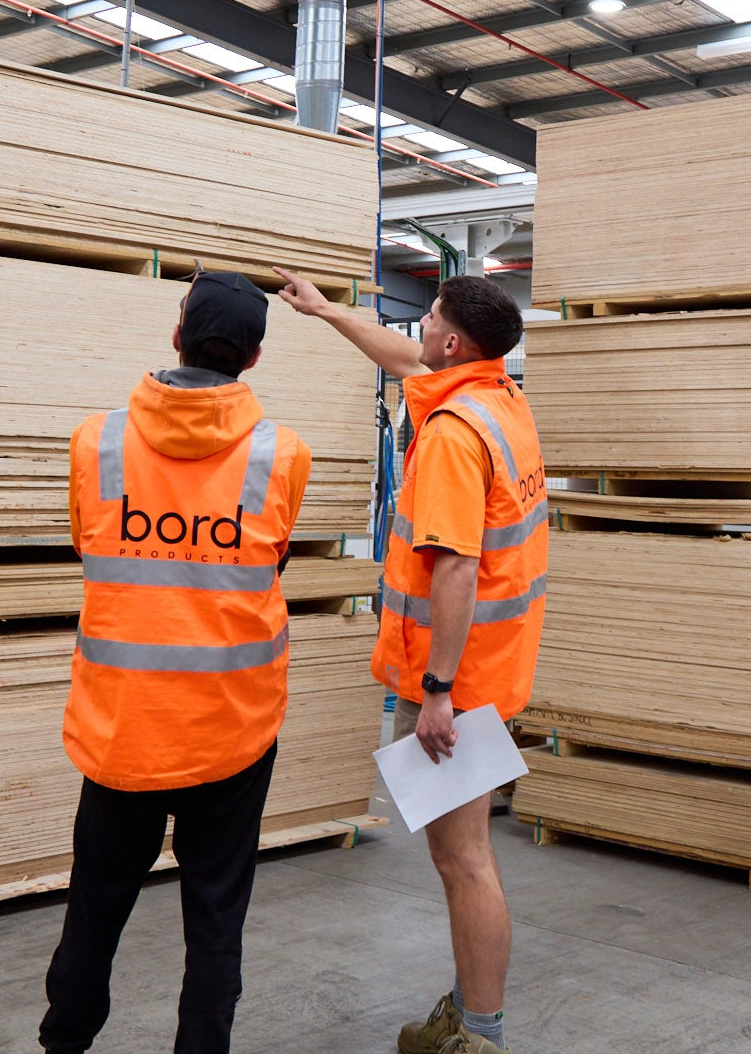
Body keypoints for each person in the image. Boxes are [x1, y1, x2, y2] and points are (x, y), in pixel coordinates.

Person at [274, 267, 547, 1054]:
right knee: (454, 852)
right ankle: (467, 1012)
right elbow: (401, 357)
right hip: (494, 668)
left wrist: (437, 691)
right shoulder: (498, 398)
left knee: (463, 859)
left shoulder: (457, 437)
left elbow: (457, 568)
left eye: (429, 315)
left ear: (453, 340)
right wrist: (326, 312)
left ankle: (480, 1036)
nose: (419, 324)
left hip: (457, 686)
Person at [41, 271, 312, 1054]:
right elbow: (271, 564)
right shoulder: (282, 454)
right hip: (231, 729)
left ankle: (63, 1043)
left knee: (94, 904)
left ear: (176, 334)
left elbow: (89, 548)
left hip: (121, 723)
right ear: (254, 358)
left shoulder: (95, 441)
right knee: (216, 916)